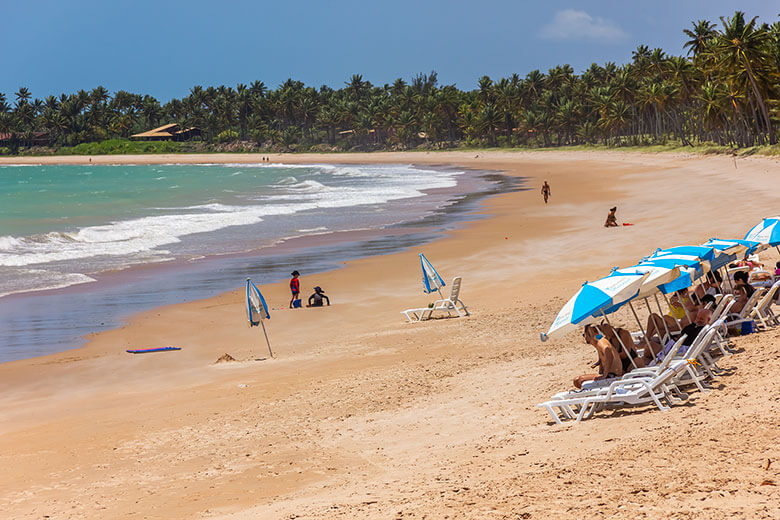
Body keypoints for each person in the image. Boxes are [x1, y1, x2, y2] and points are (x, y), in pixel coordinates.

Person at [573, 324, 623, 389]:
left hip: (611, 376)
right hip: (611, 374)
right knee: (577, 380)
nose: (584, 338)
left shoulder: (601, 342)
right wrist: (598, 363)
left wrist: (604, 375)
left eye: (584, 335)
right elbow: (605, 355)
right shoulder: (600, 341)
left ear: (590, 334)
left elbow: (607, 350)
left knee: (578, 380)